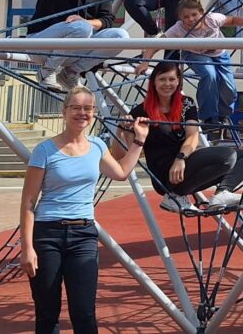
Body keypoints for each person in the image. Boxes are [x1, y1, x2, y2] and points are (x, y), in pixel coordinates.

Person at [21, 86, 149, 334]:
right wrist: (27, 248)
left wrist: (139, 140)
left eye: (88, 108)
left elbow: (121, 172)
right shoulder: (44, 151)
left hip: (83, 235)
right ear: (64, 111)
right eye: (76, 108)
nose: (82, 113)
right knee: (47, 312)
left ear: (94, 113)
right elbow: (28, 202)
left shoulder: (97, 146)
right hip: (47, 235)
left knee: (84, 312)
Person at [114, 61, 243, 214]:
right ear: (154, 82)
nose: (167, 84)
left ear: (178, 81)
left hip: (184, 163)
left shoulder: (186, 103)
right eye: (162, 79)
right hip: (164, 175)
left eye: (172, 79)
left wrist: (181, 158)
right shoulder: (141, 111)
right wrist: (121, 129)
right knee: (226, 156)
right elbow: (122, 157)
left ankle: (222, 193)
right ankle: (174, 195)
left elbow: (193, 136)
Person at [162, 0, 243, 129]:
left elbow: (232, 20)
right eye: (186, 17)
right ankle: (208, 117)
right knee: (210, 75)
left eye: (194, 15)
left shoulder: (212, 18)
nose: (191, 19)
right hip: (195, 54)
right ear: (180, 18)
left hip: (219, 54)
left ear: (202, 13)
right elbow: (158, 42)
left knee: (229, 86)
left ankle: (223, 115)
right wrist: (145, 61)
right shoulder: (178, 28)